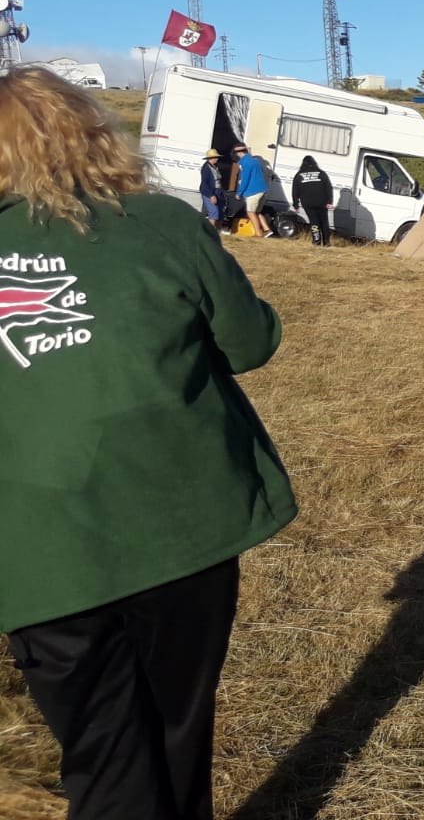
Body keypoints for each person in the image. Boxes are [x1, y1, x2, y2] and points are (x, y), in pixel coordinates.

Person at [0, 68, 297, 820]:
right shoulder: (159, 225)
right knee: (175, 729)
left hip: (36, 554)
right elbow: (251, 341)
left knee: (100, 752)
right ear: (92, 134)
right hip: (178, 524)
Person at [292, 155, 336, 247]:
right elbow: (328, 188)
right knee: (324, 222)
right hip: (322, 202)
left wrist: (296, 205)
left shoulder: (299, 175)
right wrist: (329, 201)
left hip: (308, 203)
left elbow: (295, 191)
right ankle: (326, 242)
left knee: (314, 221)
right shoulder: (321, 173)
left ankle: (316, 241)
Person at [233, 142, 272, 237]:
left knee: (250, 212)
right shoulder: (255, 161)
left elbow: (245, 180)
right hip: (263, 190)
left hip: (253, 192)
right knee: (257, 212)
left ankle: (258, 233)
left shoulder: (245, 163)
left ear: (239, 153)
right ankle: (267, 229)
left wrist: (239, 193)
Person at [199, 148, 224, 229]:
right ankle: (210, 232)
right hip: (210, 192)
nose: (217, 159)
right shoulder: (206, 168)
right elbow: (204, 184)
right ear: (210, 158)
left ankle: (218, 232)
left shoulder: (214, 167)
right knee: (213, 213)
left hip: (218, 191)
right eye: (215, 157)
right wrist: (211, 195)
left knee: (220, 213)